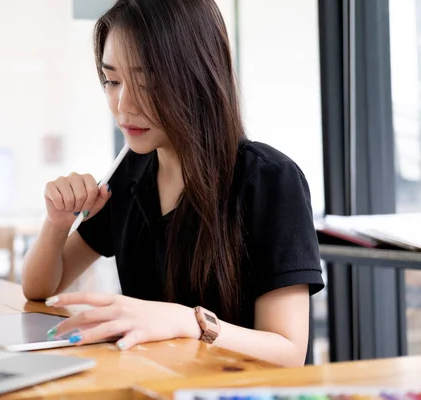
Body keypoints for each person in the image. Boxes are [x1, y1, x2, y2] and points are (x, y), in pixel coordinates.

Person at [21, 0, 324, 367]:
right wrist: (55, 224)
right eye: (112, 80)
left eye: (146, 82)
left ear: (198, 75)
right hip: (152, 385)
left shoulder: (269, 180)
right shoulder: (129, 174)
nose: (123, 104)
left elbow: (288, 351)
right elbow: (40, 288)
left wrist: (189, 322)